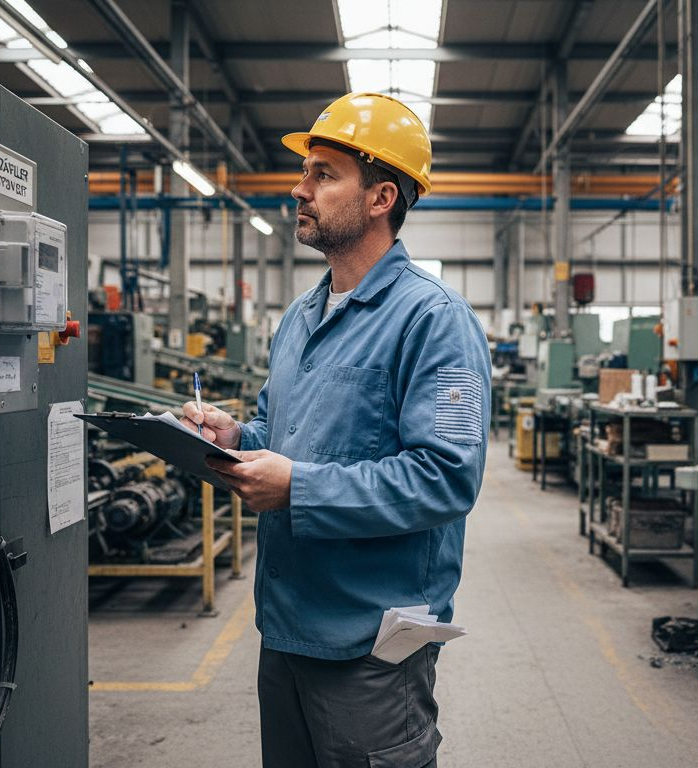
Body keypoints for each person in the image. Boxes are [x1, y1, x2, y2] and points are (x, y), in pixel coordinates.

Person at [182, 92, 491, 768]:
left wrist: (297, 487)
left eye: (323, 174)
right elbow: (282, 435)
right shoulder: (301, 316)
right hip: (286, 628)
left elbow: (445, 478)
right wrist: (237, 439)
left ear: (381, 198)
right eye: (307, 173)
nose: (301, 189)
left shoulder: (433, 321)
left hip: (371, 646)